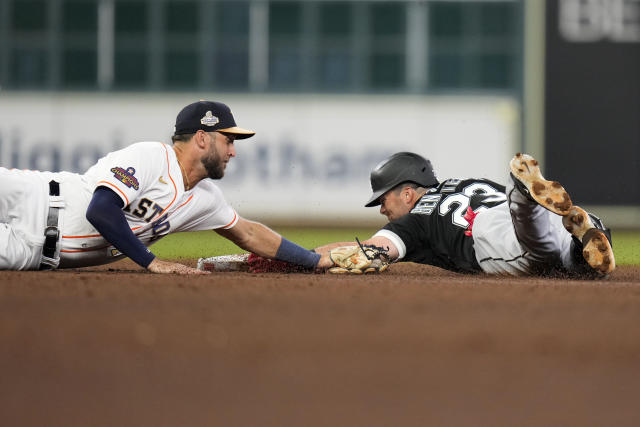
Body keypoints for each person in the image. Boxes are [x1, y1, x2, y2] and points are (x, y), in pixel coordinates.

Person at [0, 100, 324, 274]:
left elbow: (250, 234)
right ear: (201, 137)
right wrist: (152, 262)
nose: (233, 151)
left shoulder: (206, 199)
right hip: (33, 199)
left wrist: (314, 260)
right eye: (227, 140)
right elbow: (100, 209)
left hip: (29, 255)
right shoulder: (151, 157)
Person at [315, 152, 615, 277]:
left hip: (490, 236)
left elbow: (374, 250)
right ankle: (580, 234)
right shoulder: (468, 183)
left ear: (407, 193)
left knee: (535, 249)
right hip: (508, 210)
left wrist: (306, 258)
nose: (382, 209)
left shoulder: (415, 218)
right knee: (562, 254)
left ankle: (523, 199)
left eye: (383, 199)